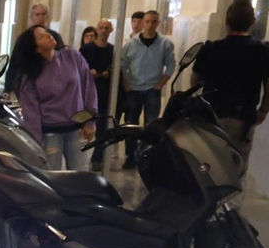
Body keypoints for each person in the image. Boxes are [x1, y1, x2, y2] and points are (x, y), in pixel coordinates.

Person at [192, 0, 269, 168]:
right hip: (243, 118)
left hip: (211, 116)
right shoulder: (265, 52)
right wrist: (263, 111)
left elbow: (194, 81)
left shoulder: (210, 49)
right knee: (236, 170)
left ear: (227, 22)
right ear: (252, 22)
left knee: (209, 167)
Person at [14, 25, 97, 170]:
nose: (48, 35)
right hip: (50, 133)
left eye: (46, 32)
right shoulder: (30, 75)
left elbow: (88, 88)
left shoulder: (73, 56)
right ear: (37, 49)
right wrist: (36, 142)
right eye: (41, 36)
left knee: (81, 175)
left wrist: (90, 121)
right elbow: (31, 112)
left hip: (78, 130)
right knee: (51, 177)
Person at [120, 9, 174, 166]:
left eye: (154, 21)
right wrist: (126, 84)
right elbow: (123, 65)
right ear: (143, 22)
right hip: (134, 89)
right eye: (147, 21)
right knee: (131, 124)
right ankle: (130, 156)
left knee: (151, 125)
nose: (150, 25)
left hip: (152, 89)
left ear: (158, 23)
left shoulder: (165, 44)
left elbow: (170, 64)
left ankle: (147, 156)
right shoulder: (131, 44)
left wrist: (160, 84)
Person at [80, 19, 116, 169]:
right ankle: (80, 158)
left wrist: (109, 72)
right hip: (85, 96)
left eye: (106, 28)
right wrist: (89, 73)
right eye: (101, 27)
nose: (103, 30)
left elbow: (118, 68)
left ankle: (97, 159)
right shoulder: (86, 50)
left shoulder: (113, 50)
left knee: (102, 129)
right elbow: (78, 69)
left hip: (104, 96)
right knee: (81, 128)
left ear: (111, 30)